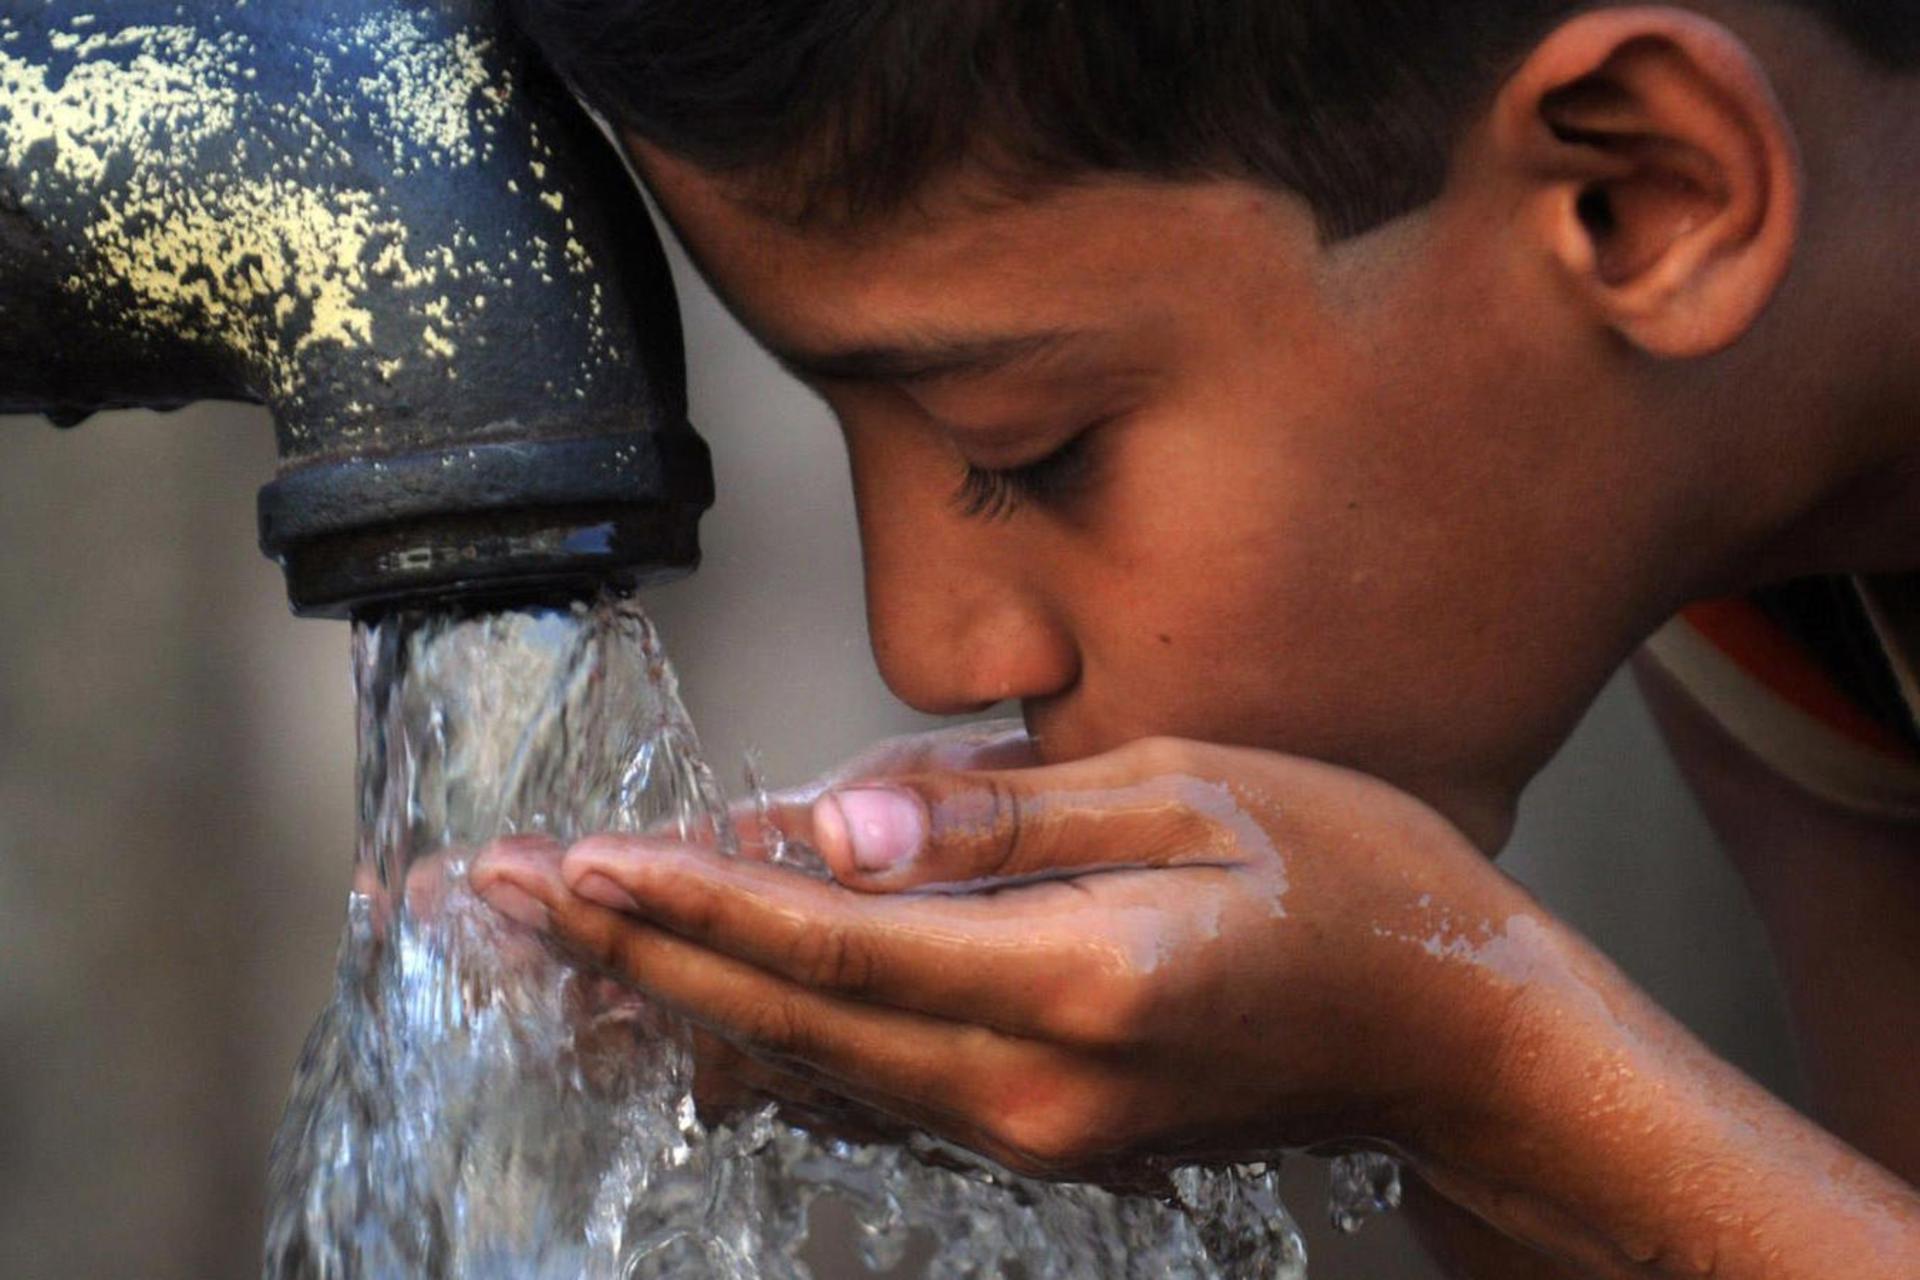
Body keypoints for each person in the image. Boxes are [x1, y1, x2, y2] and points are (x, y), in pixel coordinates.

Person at [470, 2, 1920, 1274]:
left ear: (1642, 192)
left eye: (1030, 451)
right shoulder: (1769, 579)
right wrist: (1385, 1073)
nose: (928, 646)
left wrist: (1487, 1064)